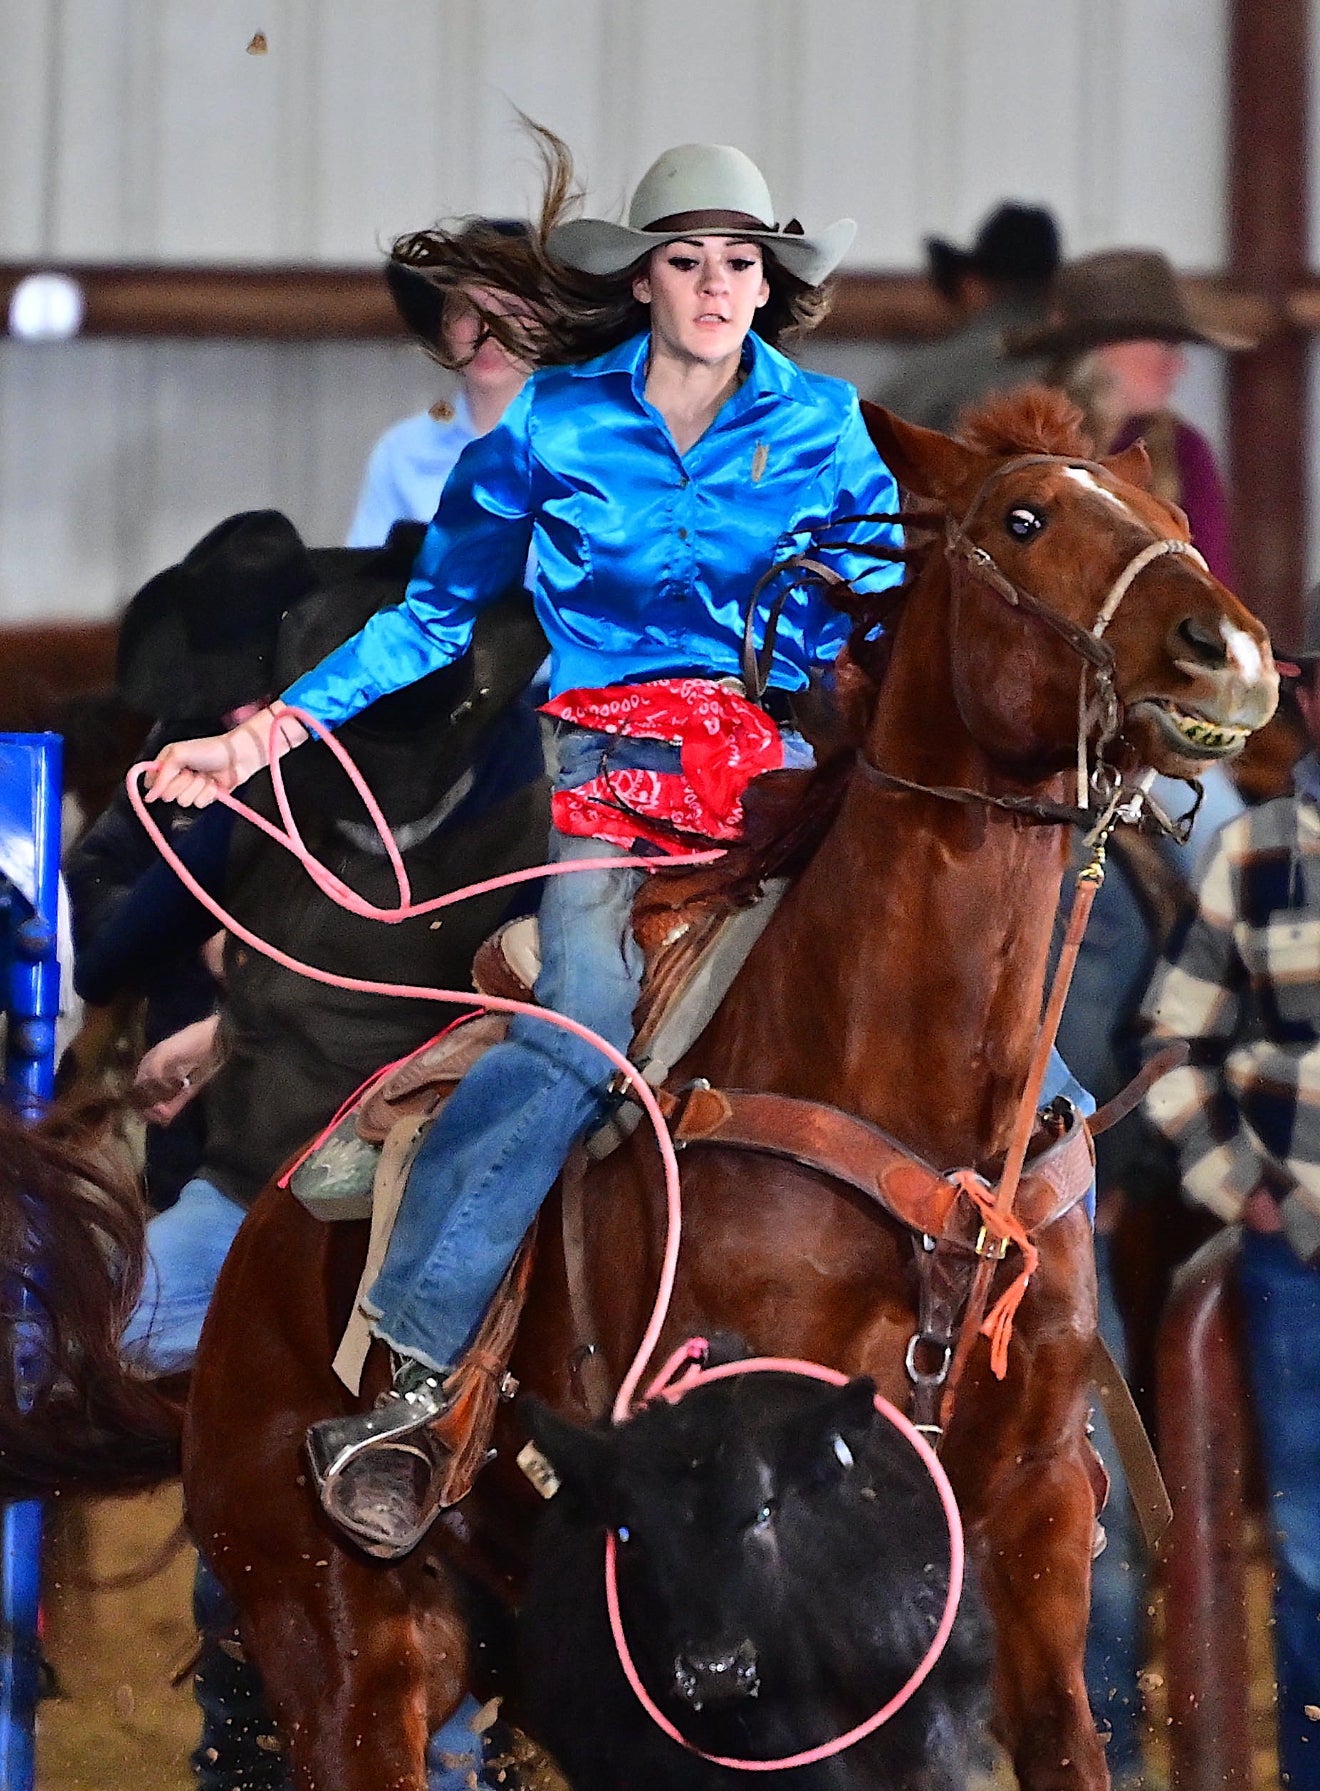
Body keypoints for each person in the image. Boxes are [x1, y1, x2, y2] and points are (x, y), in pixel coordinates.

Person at [145, 132, 909, 1557]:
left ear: (770, 284)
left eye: (740, 261)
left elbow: (880, 613)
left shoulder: (831, 429)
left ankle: (1026, 1382)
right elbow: (433, 617)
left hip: (782, 777)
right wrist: (259, 744)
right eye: (688, 259)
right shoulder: (552, 426)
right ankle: (416, 1374)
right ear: (645, 280)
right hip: (606, 777)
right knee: (579, 1033)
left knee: (961, 1025)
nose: (716, 284)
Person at [1140, 588, 1320, 1791]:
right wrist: (1240, 1186)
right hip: (1298, 1250)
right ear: (1305, 694)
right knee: (1310, 1549)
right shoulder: (1257, 853)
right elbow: (1173, 1044)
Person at [1007, 247, 1251, 583]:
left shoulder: (1185, 450)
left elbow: (1209, 582)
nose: (1178, 365)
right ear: (1102, 347)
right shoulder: (1023, 445)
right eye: (1163, 345)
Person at [346, 219, 534, 547]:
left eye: (511, 311)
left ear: (549, 324)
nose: (486, 334)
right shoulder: (403, 452)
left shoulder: (587, 447)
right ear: (443, 325)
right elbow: (367, 572)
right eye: (466, 311)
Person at [873, 201, 1061, 433]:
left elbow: (859, 445)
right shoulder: (1087, 377)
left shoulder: (929, 374)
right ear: (1055, 290)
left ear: (972, 286)